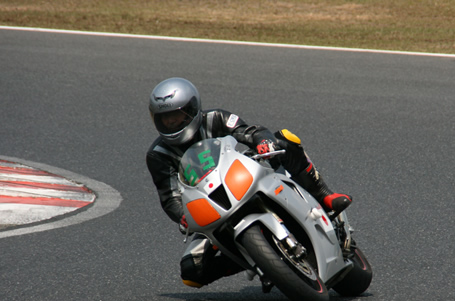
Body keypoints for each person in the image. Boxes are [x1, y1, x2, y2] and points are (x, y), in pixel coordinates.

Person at [146, 77, 352, 288]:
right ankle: (257, 261)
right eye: (165, 119)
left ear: (192, 109)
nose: (171, 123)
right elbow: (169, 196)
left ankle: (324, 195)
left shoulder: (216, 118)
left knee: (285, 139)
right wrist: (182, 215)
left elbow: (248, 131)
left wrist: (263, 141)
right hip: (211, 207)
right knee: (191, 271)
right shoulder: (158, 155)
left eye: (176, 116)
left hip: (244, 177)